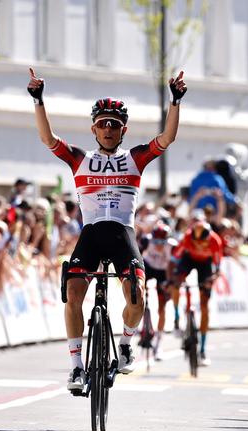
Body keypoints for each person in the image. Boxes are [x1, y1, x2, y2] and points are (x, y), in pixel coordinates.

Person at [28, 67, 187, 391]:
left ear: (123, 129)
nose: (109, 129)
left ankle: (126, 344)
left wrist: (175, 101)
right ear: (94, 129)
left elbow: (167, 139)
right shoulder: (80, 159)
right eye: (103, 124)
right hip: (91, 234)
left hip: (122, 234)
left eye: (115, 124)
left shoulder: (135, 158)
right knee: (73, 294)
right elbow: (48, 139)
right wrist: (38, 100)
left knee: (136, 295)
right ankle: (75, 367)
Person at [168, 216, 222, 366]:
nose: (198, 244)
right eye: (195, 242)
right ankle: (177, 318)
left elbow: (217, 269)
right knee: (176, 283)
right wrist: (173, 278)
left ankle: (203, 350)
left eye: (201, 242)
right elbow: (174, 259)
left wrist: (210, 281)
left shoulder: (214, 241)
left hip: (205, 265)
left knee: (205, 306)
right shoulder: (187, 237)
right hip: (188, 260)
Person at [140, 223, 177, 360]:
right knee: (138, 292)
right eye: (156, 241)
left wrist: (170, 282)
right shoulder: (146, 241)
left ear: (167, 240)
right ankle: (142, 327)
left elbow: (175, 266)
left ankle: (158, 343)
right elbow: (136, 256)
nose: (159, 245)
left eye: (162, 242)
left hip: (163, 271)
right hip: (148, 267)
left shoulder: (172, 246)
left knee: (162, 306)